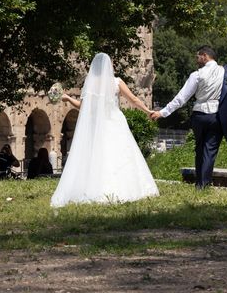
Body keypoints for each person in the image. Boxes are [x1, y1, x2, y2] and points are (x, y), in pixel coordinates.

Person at [50, 53, 159, 207]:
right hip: (114, 122)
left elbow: (83, 107)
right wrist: (148, 111)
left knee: (98, 155)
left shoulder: (90, 84)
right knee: (120, 154)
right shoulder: (116, 82)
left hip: (97, 125)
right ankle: (124, 188)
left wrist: (68, 98)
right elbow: (133, 100)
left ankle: (95, 187)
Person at [149, 45, 227, 188]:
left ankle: (199, 183)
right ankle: (203, 184)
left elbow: (181, 98)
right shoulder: (226, 73)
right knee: (210, 150)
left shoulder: (197, 75)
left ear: (205, 56)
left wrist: (162, 112)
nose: (197, 60)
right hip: (216, 116)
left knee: (200, 148)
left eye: (198, 57)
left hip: (199, 116)